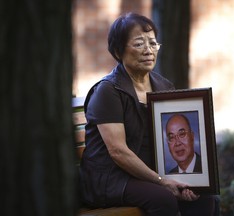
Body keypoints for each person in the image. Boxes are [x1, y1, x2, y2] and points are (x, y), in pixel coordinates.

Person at [79, 12, 216, 216]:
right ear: (118, 50)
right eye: (139, 44)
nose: (148, 50)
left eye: (152, 43)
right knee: (164, 199)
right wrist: (162, 181)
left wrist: (191, 179)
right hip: (111, 178)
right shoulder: (108, 91)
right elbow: (118, 151)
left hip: (147, 174)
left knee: (204, 197)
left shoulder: (163, 86)